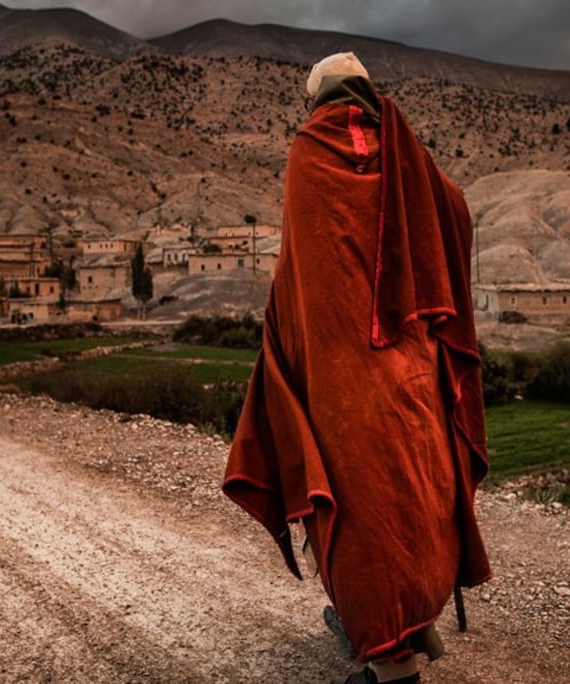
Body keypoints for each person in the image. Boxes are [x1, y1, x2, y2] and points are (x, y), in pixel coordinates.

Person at [223, 51, 491, 684]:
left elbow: (298, 274)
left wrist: (290, 345)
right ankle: (404, 621)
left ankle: (392, 666)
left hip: (342, 378)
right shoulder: (406, 154)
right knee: (416, 495)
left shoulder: (309, 154)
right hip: (412, 367)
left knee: (357, 509)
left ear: (317, 98)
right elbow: (456, 210)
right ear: (366, 89)